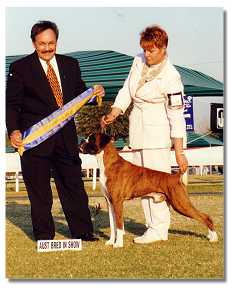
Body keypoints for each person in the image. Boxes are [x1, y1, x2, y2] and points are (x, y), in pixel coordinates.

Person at [6, 20, 105, 242]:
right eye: (42, 44)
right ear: (33, 43)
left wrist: (93, 93)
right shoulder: (19, 68)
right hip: (34, 139)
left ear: (57, 42)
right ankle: (44, 235)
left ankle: (82, 231)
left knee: (73, 186)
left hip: (66, 138)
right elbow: (12, 104)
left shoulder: (71, 64)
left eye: (51, 43)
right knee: (39, 191)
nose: (48, 48)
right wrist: (13, 130)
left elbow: (79, 96)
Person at [101, 25, 188, 244]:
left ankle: (159, 229)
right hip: (137, 130)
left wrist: (179, 152)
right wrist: (115, 111)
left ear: (163, 48)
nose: (147, 54)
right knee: (140, 186)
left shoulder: (172, 77)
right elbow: (126, 90)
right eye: (145, 49)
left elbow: (176, 116)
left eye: (152, 50)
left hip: (158, 135)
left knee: (157, 185)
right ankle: (152, 226)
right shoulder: (138, 60)